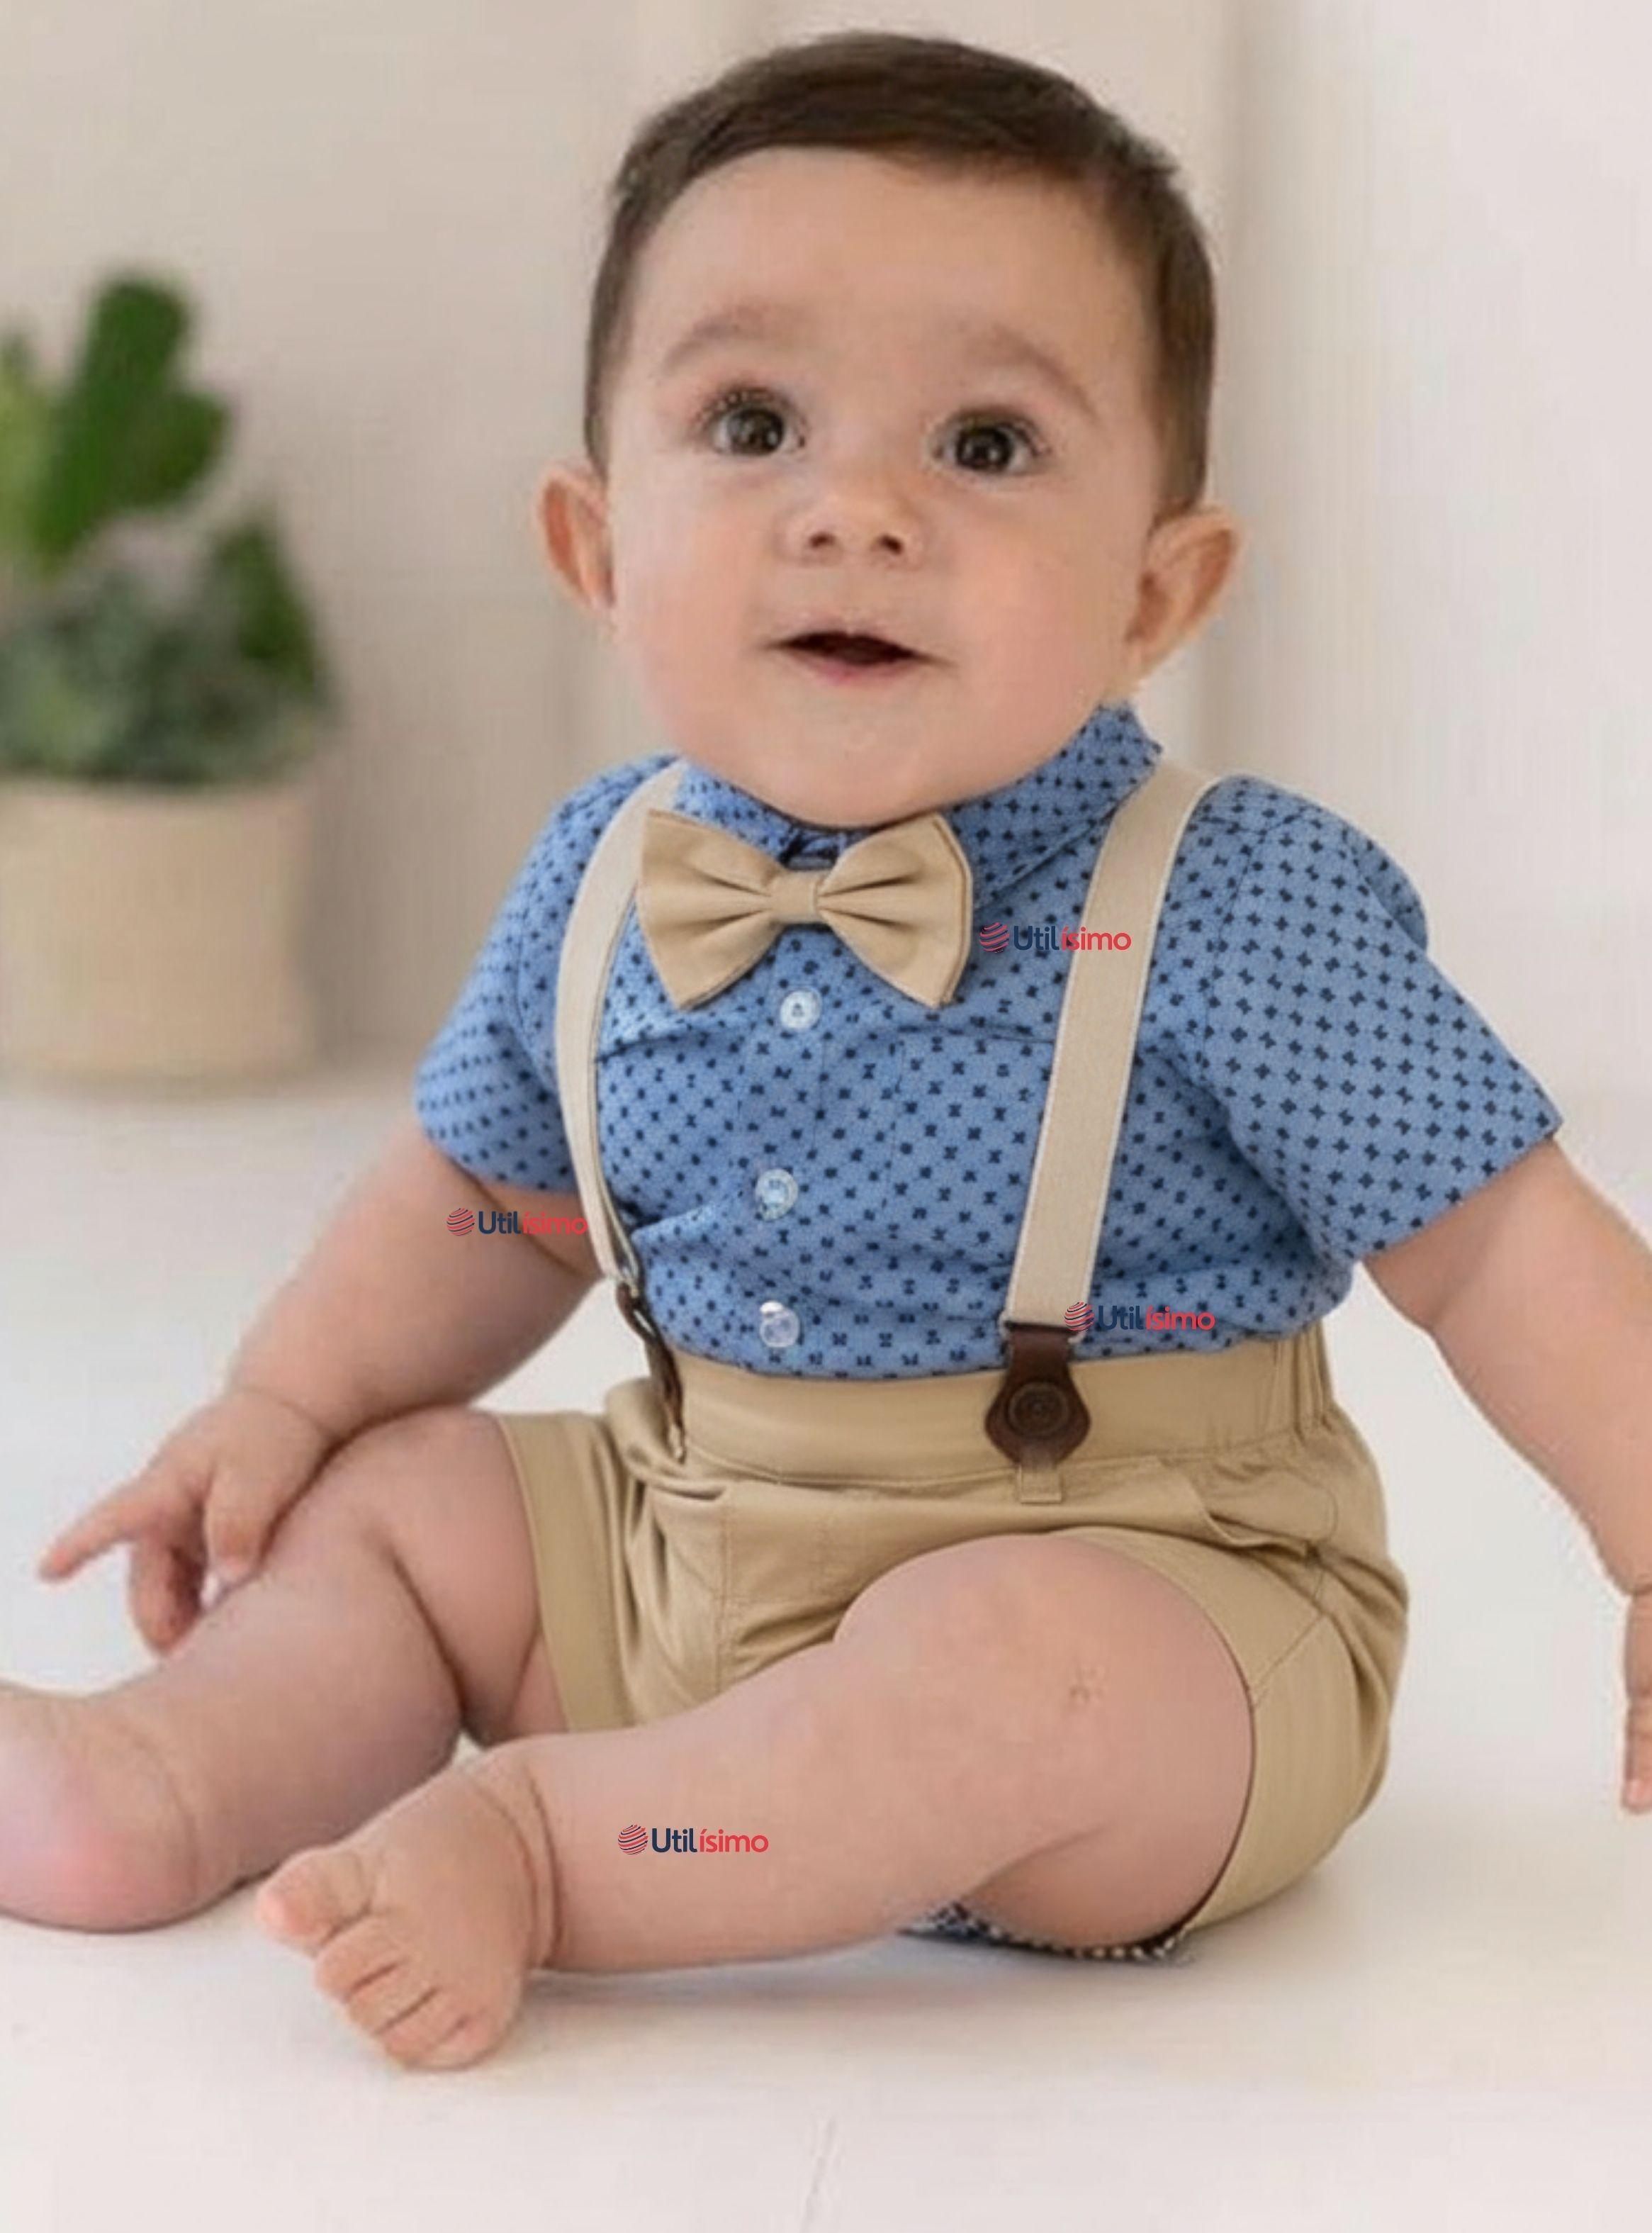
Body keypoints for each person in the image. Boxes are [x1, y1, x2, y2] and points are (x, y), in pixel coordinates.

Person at [6, 30, 1650, 2075]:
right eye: (754, 419)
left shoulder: (1236, 900)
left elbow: (1497, 1247)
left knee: (1003, 1663)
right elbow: (479, 1203)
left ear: (1160, 589)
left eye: (983, 446)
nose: (854, 511)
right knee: (407, 1502)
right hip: (684, 1546)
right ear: (598, 549)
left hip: (1143, 1620)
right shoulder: (601, 872)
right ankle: (159, 1780)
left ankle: (543, 1847)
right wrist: (277, 1404)